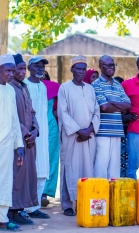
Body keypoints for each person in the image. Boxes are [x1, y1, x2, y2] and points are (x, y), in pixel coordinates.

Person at [58, 55, 100, 216]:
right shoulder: (65, 88)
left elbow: (96, 111)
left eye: (83, 69)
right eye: (78, 68)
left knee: (87, 168)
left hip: (88, 136)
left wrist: (89, 130)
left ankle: (84, 201)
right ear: (72, 70)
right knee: (70, 167)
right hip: (72, 136)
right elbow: (63, 113)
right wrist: (78, 131)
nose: (81, 72)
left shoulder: (90, 89)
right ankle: (67, 204)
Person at [7, 54, 39, 225]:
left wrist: (35, 130)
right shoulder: (8, 88)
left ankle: (20, 209)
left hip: (29, 140)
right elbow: (11, 117)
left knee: (28, 176)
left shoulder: (24, 87)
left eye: (23, 68)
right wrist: (26, 132)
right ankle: (12, 210)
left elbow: (32, 112)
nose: (21, 72)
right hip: (16, 141)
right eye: (18, 68)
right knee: (16, 175)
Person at [0, 54, 24, 232]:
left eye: (13, 71)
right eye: (8, 70)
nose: (11, 74)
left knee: (4, 181)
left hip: (6, 146)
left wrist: (19, 145)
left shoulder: (11, 91)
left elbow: (15, 120)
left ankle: (2, 219)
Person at [92, 56, 131, 179]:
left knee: (114, 170)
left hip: (117, 131)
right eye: (108, 65)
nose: (111, 67)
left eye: (113, 65)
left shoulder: (118, 85)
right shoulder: (96, 84)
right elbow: (104, 107)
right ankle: (100, 196)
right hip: (102, 132)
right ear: (100, 66)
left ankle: (111, 197)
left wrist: (112, 103)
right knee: (100, 167)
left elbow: (128, 105)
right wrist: (119, 106)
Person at [24, 56, 50, 219]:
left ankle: (35, 207)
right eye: (37, 66)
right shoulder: (23, 86)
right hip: (30, 133)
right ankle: (25, 207)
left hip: (44, 133)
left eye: (42, 66)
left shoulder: (43, 86)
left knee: (42, 170)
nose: (41, 69)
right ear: (29, 67)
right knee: (29, 171)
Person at [41, 70, 60, 206]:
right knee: (36, 159)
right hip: (35, 126)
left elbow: (59, 108)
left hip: (51, 126)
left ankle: (44, 193)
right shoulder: (26, 87)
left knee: (51, 158)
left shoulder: (55, 87)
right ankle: (35, 192)